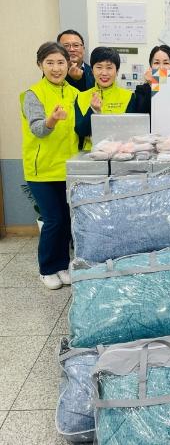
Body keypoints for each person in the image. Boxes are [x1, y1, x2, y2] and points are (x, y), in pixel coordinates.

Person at [20, 42, 79, 289]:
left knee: (65, 220)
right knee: (53, 219)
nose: (56, 68)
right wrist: (52, 120)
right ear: (40, 65)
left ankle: (62, 265)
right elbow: (37, 129)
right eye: (50, 62)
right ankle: (46, 269)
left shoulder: (75, 93)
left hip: (68, 169)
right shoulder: (33, 94)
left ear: (68, 64)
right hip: (41, 171)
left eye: (60, 62)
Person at [75, 47, 136, 149]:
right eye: (99, 67)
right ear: (92, 70)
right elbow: (81, 132)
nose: (104, 73)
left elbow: (130, 132)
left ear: (117, 71)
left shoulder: (129, 96)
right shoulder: (81, 96)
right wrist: (93, 110)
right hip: (91, 153)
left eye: (109, 68)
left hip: (120, 152)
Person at [135, 45, 170, 114]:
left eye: (166, 63)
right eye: (156, 63)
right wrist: (152, 85)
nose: (161, 67)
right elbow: (143, 115)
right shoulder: (141, 90)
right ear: (151, 67)